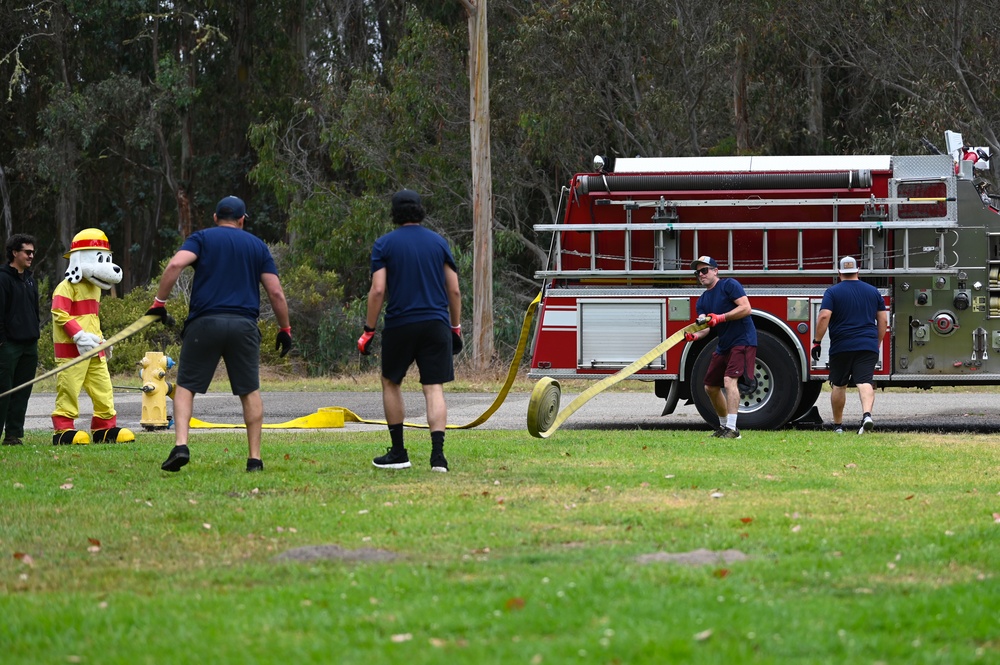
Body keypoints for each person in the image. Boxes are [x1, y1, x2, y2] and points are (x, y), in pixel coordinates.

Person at [150, 195, 292, 472]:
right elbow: (275, 291)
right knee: (249, 390)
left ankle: (181, 445)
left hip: (205, 324)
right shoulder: (257, 245)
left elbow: (175, 265)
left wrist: (159, 304)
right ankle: (254, 459)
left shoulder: (202, 238)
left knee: (186, 387)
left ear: (215, 218)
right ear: (241, 221)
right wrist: (284, 328)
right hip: (243, 326)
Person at [357, 189, 462, 472]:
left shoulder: (384, 244)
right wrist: (455, 327)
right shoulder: (439, 243)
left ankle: (399, 453)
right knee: (433, 387)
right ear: (420, 210)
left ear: (394, 213)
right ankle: (438, 457)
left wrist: (368, 330)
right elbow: (453, 289)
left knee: (391, 382)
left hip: (400, 324)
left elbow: (378, 290)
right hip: (436, 324)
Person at [811, 256, 887, 434]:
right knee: (865, 381)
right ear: (857, 271)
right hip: (867, 344)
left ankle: (838, 426)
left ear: (839, 273)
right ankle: (867, 415)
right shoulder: (873, 291)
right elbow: (883, 319)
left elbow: (823, 316)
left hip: (841, 346)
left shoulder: (833, 292)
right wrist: (877, 342)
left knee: (839, 384)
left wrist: (817, 341)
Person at [685, 256, 757, 439]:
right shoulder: (702, 301)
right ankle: (724, 427)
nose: (701, 275)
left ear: (715, 271)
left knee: (729, 381)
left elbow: (746, 308)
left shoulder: (729, 285)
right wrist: (694, 336)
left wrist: (721, 317)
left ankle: (733, 429)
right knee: (710, 386)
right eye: (697, 272)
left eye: (704, 270)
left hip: (743, 340)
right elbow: (705, 329)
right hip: (724, 344)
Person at [0, 234, 40, 446]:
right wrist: (2, 342)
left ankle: (13, 435)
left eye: (33, 252)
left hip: (29, 345)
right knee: (4, 392)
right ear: (14, 252)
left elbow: (34, 310)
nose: (31, 256)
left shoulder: (31, 279)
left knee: (22, 392)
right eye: (27, 252)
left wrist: (35, 333)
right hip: (9, 346)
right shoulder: (3, 278)